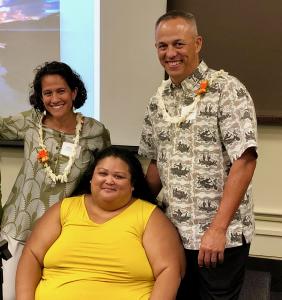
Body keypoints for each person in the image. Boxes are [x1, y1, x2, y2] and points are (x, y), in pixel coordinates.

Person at [138, 10, 258, 300]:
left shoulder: (226, 88)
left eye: (178, 44)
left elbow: (245, 160)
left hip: (218, 236)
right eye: (162, 46)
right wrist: (135, 213)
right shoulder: (158, 99)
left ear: (198, 43)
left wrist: (217, 230)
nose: (170, 53)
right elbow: (156, 161)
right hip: (173, 232)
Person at [0, 61, 111, 300]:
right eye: (47, 93)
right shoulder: (31, 122)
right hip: (18, 228)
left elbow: (105, 177)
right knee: (10, 295)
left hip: (64, 233)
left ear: (73, 92)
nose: (54, 98)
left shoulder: (95, 131)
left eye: (61, 91)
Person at [16, 146, 185, 300]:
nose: (109, 181)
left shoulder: (149, 216)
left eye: (118, 176)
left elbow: (169, 271)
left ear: (132, 184)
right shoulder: (64, 209)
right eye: (103, 174)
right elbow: (31, 256)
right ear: (91, 178)